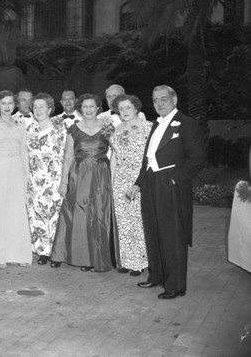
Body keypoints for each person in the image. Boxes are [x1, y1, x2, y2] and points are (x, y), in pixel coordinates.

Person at [127, 85, 205, 299]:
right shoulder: (154, 125)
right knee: (153, 232)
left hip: (170, 184)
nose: (159, 103)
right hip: (152, 182)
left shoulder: (187, 124)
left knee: (172, 235)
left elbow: (196, 158)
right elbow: (148, 160)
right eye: (155, 100)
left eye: (163, 99)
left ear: (174, 99)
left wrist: (174, 178)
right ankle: (157, 276)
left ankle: (175, 285)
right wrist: (138, 183)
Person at [51, 93, 118, 272]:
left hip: (100, 174)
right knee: (79, 213)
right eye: (85, 106)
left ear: (98, 108)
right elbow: (68, 156)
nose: (88, 110)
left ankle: (97, 256)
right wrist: (63, 181)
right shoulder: (73, 129)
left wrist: (115, 176)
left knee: (99, 214)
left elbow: (117, 151)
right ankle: (83, 257)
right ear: (81, 109)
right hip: (79, 175)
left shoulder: (107, 127)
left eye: (92, 106)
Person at [0, 90, 32, 268]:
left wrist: (27, 175)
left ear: (15, 105)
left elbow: (24, 151)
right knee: (1, 211)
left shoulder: (21, 125)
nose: (7, 107)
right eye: (3, 103)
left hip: (17, 169)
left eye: (10, 103)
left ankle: (20, 254)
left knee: (18, 211)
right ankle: (1, 255)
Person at [109, 94, 151, 276]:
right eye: (121, 108)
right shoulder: (116, 129)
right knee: (123, 220)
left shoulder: (148, 128)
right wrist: (111, 181)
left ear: (136, 108)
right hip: (120, 178)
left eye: (128, 108)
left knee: (138, 220)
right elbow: (114, 158)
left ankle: (140, 262)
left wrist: (140, 181)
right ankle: (126, 260)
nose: (124, 111)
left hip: (139, 178)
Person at [26, 93, 67, 265]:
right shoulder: (28, 129)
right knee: (37, 215)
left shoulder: (61, 127)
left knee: (56, 215)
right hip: (34, 180)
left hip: (55, 178)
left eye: (42, 106)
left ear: (50, 109)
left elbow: (68, 155)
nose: (39, 110)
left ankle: (57, 252)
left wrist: (65, 180)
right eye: (35, 107)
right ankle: (43, 252)